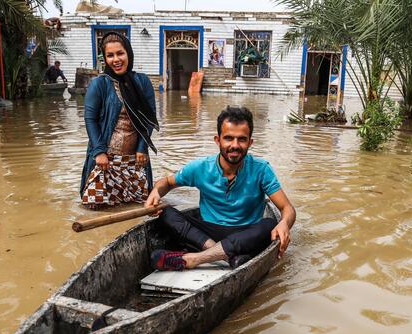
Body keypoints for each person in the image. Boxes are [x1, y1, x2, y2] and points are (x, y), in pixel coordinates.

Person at [145, 106, 296, 271]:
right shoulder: (200, 167)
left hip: (246, 233)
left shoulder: (261, 169)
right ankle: (225, 255)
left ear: (250, 142)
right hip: (207, 234)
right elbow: (166, 182)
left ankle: (195, 259)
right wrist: (155, 193)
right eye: (228, 138)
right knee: (165, 213)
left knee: (269, 224)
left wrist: (285, 224)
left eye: (242, 139)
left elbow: (287, 208)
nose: (235, 145)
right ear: (218, 140)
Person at [80, 32, 159, 208]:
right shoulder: (99, 84)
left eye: (120, 53)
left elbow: (149, 118)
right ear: (105, 59)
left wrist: (142, 147)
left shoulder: (142, 82)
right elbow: (90, 119)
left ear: (128, 54)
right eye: (110, 55)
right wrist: (99, 152)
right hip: (105, 161)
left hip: (135, 161)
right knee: (97, 205)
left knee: (140, 205)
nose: (116, 59)